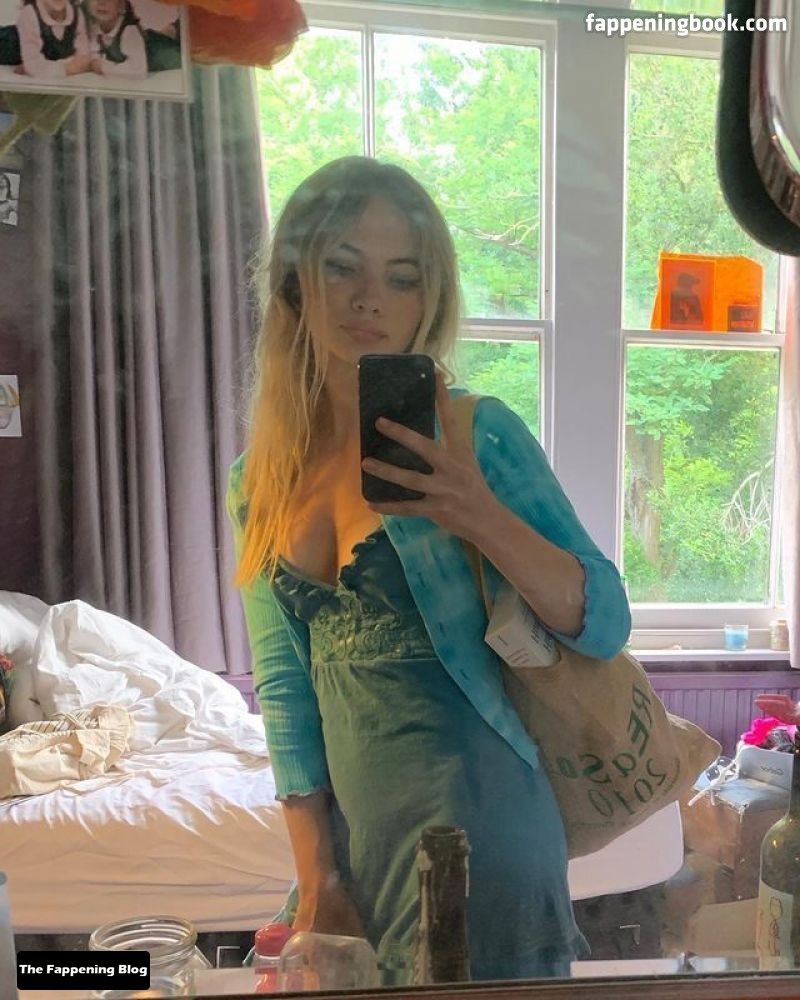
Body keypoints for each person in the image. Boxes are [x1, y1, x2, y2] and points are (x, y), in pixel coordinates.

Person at [227, 156, 631, 985]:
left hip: (488, 838)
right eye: (342, 267)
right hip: (356, 857)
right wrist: (318, 881)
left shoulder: (477, 432)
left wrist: (475, 511)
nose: (369, 299)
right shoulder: (258, 477)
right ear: (296, 283)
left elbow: (604, 621)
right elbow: (286, 693)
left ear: (429, 300)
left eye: (402, 278)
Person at [17, 0, 91, 79]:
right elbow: (32, 66)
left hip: (61, 74)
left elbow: (83, 58)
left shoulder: (77, 13)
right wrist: (66, 68)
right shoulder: (29, 14)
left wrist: (76, 66)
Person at [83, 0, 146, 79]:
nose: (101, 2)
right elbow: (93, 53)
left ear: (122, 6)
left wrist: (103, 68)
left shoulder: (130, 30)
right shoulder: (91, 26)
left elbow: (139, 71)